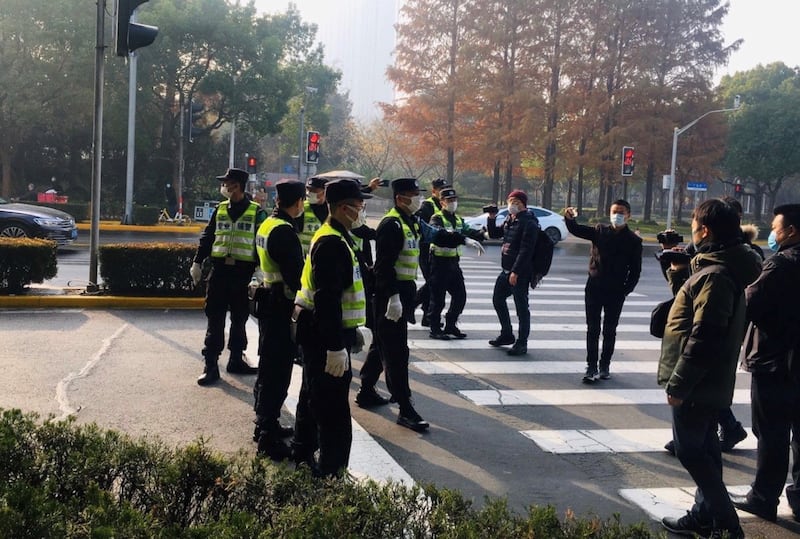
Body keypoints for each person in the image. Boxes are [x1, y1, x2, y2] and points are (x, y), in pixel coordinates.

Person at [658, 199, 762, 539]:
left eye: (693, 224)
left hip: (699, 380)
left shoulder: (716, 274)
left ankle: (727, 522)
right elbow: (689, 306)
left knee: (691, 450)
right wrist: (677, 270)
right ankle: (705, 517)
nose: (691, 231)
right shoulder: (720, 265)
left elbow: (705, 335)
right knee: (705, 448)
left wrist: (679, 384)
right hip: (710, 378)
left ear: (705, 230)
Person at [291, 179, 371, 476]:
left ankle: (302, 455)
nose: (362, 211)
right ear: (342, 208)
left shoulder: (337, 236)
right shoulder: (332, 243)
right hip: (325, 340)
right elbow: (327, 299)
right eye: (359, 206)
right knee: (334, 414)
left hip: (320, 335)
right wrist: (336, 348)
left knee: (313, 400)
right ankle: (332, 478)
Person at [729, 203, 800, 523]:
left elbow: (749, 304)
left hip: (776, 363)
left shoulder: (781, 265)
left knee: (772, 432)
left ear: (791, 231)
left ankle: (763, 497)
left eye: (776, 227)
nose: (772, 233)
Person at [189, 168, 266, 385]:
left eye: (228, 183)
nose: (224, 186)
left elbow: (262, 243)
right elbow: (208, 236)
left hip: (243, 274)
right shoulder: (220, 209)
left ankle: (235, 359)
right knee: (215, 319)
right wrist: (197, 261)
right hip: (220, 272)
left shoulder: (256, 212)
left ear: (238, 186)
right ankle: (211, 365)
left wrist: (260, 272)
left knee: (239, 319)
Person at [371, 178, 433, 431]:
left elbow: (434, 234)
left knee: (381, 345)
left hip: (402, 294)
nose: (418, 198)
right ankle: (405, 409)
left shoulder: (411, 221)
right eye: (413, 194)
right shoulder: (391, 225)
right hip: (390, 297)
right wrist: (393, 297)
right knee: (396, 354)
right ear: (400, 198)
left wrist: (462, 239)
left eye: (419, 194)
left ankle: (365, 390)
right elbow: (383, 267)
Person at [252, 179, 306, 461]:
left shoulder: (266, 225)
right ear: (297, 202)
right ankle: (267, 437)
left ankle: (264, 423)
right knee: (278, 371)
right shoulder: (284, 231)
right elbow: (297, 277)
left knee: (268, 367)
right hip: (281, 307)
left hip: (268, 304)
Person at [564, 200, 642, 383]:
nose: (617, 215)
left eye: (621, 212)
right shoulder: (599, 231)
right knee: (592, 328)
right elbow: (578, 230)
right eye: (614, 211)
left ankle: (604, 364)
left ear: (628, 215)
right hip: (594, 287)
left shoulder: (633, 241)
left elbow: (636, 271)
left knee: (609, 330)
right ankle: (591, 366)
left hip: (616, 291)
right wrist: (569, 220)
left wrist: (625, 290)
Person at [486, 189, 540, 356]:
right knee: (497, 299)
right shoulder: (511, 219)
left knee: (521, 308)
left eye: (516, 202)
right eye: (511, 201)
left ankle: (522, 343)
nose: (512, 205)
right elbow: (495, 234)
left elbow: (526, 250)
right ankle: (507, 334)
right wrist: (492, 218)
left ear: (523, 204)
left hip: (520, 273)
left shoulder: (529, 222)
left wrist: (515, 272)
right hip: (506, 271)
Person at [427, 187, 485, 339]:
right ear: (442, 202)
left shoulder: (458, 219)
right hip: (438, 263)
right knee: (438, 299)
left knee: (460, 296)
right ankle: (434, 328)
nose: (453, 203)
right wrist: (464, 240)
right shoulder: (436, 218)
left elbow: (468, 231)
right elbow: (441, 234)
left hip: (453, 263)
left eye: (454, 200)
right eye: (449, 200)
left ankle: (451, 325)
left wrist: (482, 234)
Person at [415, 177, 449, 327]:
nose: (442, 192)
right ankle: (413, 305)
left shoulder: (445, 204)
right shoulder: (427, 206)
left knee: (434, 284)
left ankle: (426, 315)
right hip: (426, 250)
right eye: (440, 189)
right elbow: (423, 228)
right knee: (432, 283)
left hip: (438, 252)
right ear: (433, 190)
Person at [297, 176, 330, 255]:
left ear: (324, 192)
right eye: (308, 189)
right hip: (305, 258)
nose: (309, 193)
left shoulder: (332, 209)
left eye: (313, 190)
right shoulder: (301, 208)